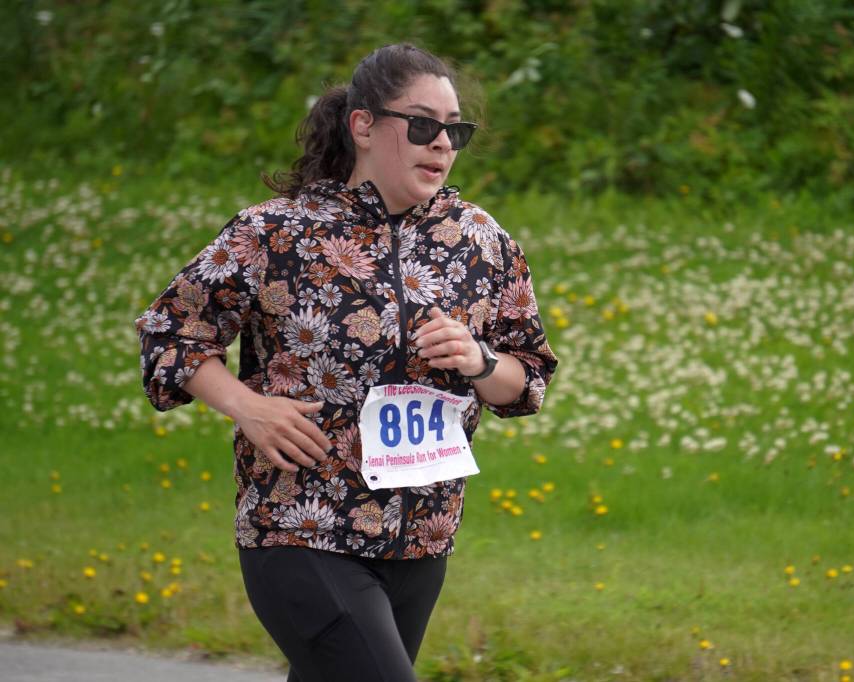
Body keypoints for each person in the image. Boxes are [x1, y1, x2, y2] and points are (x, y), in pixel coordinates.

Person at [135, 43, 557, 682]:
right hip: (303, 526)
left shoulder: (481, 242)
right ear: (364, 126)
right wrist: (249, 407)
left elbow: (525, 381)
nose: (442, 144)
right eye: (422, 125)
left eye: (455, 130)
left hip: (422, 537)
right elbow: (171, 335)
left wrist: (479, 359)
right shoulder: (276, 235)